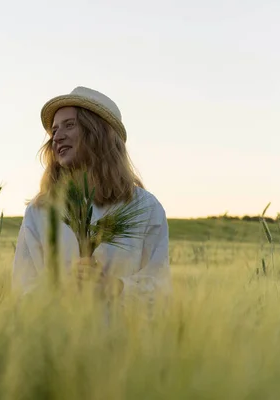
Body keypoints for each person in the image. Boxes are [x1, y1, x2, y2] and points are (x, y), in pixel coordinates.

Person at [11, 86, 171, 304]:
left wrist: (116, 287)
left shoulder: (145, 208)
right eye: (54, 130)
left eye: (69, 125)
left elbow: (160, 289)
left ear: (98, 133)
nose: (57, 137)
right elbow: (23, 290)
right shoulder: (40, 211)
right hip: (59, 337)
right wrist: (63, 288)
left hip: (125, 337)